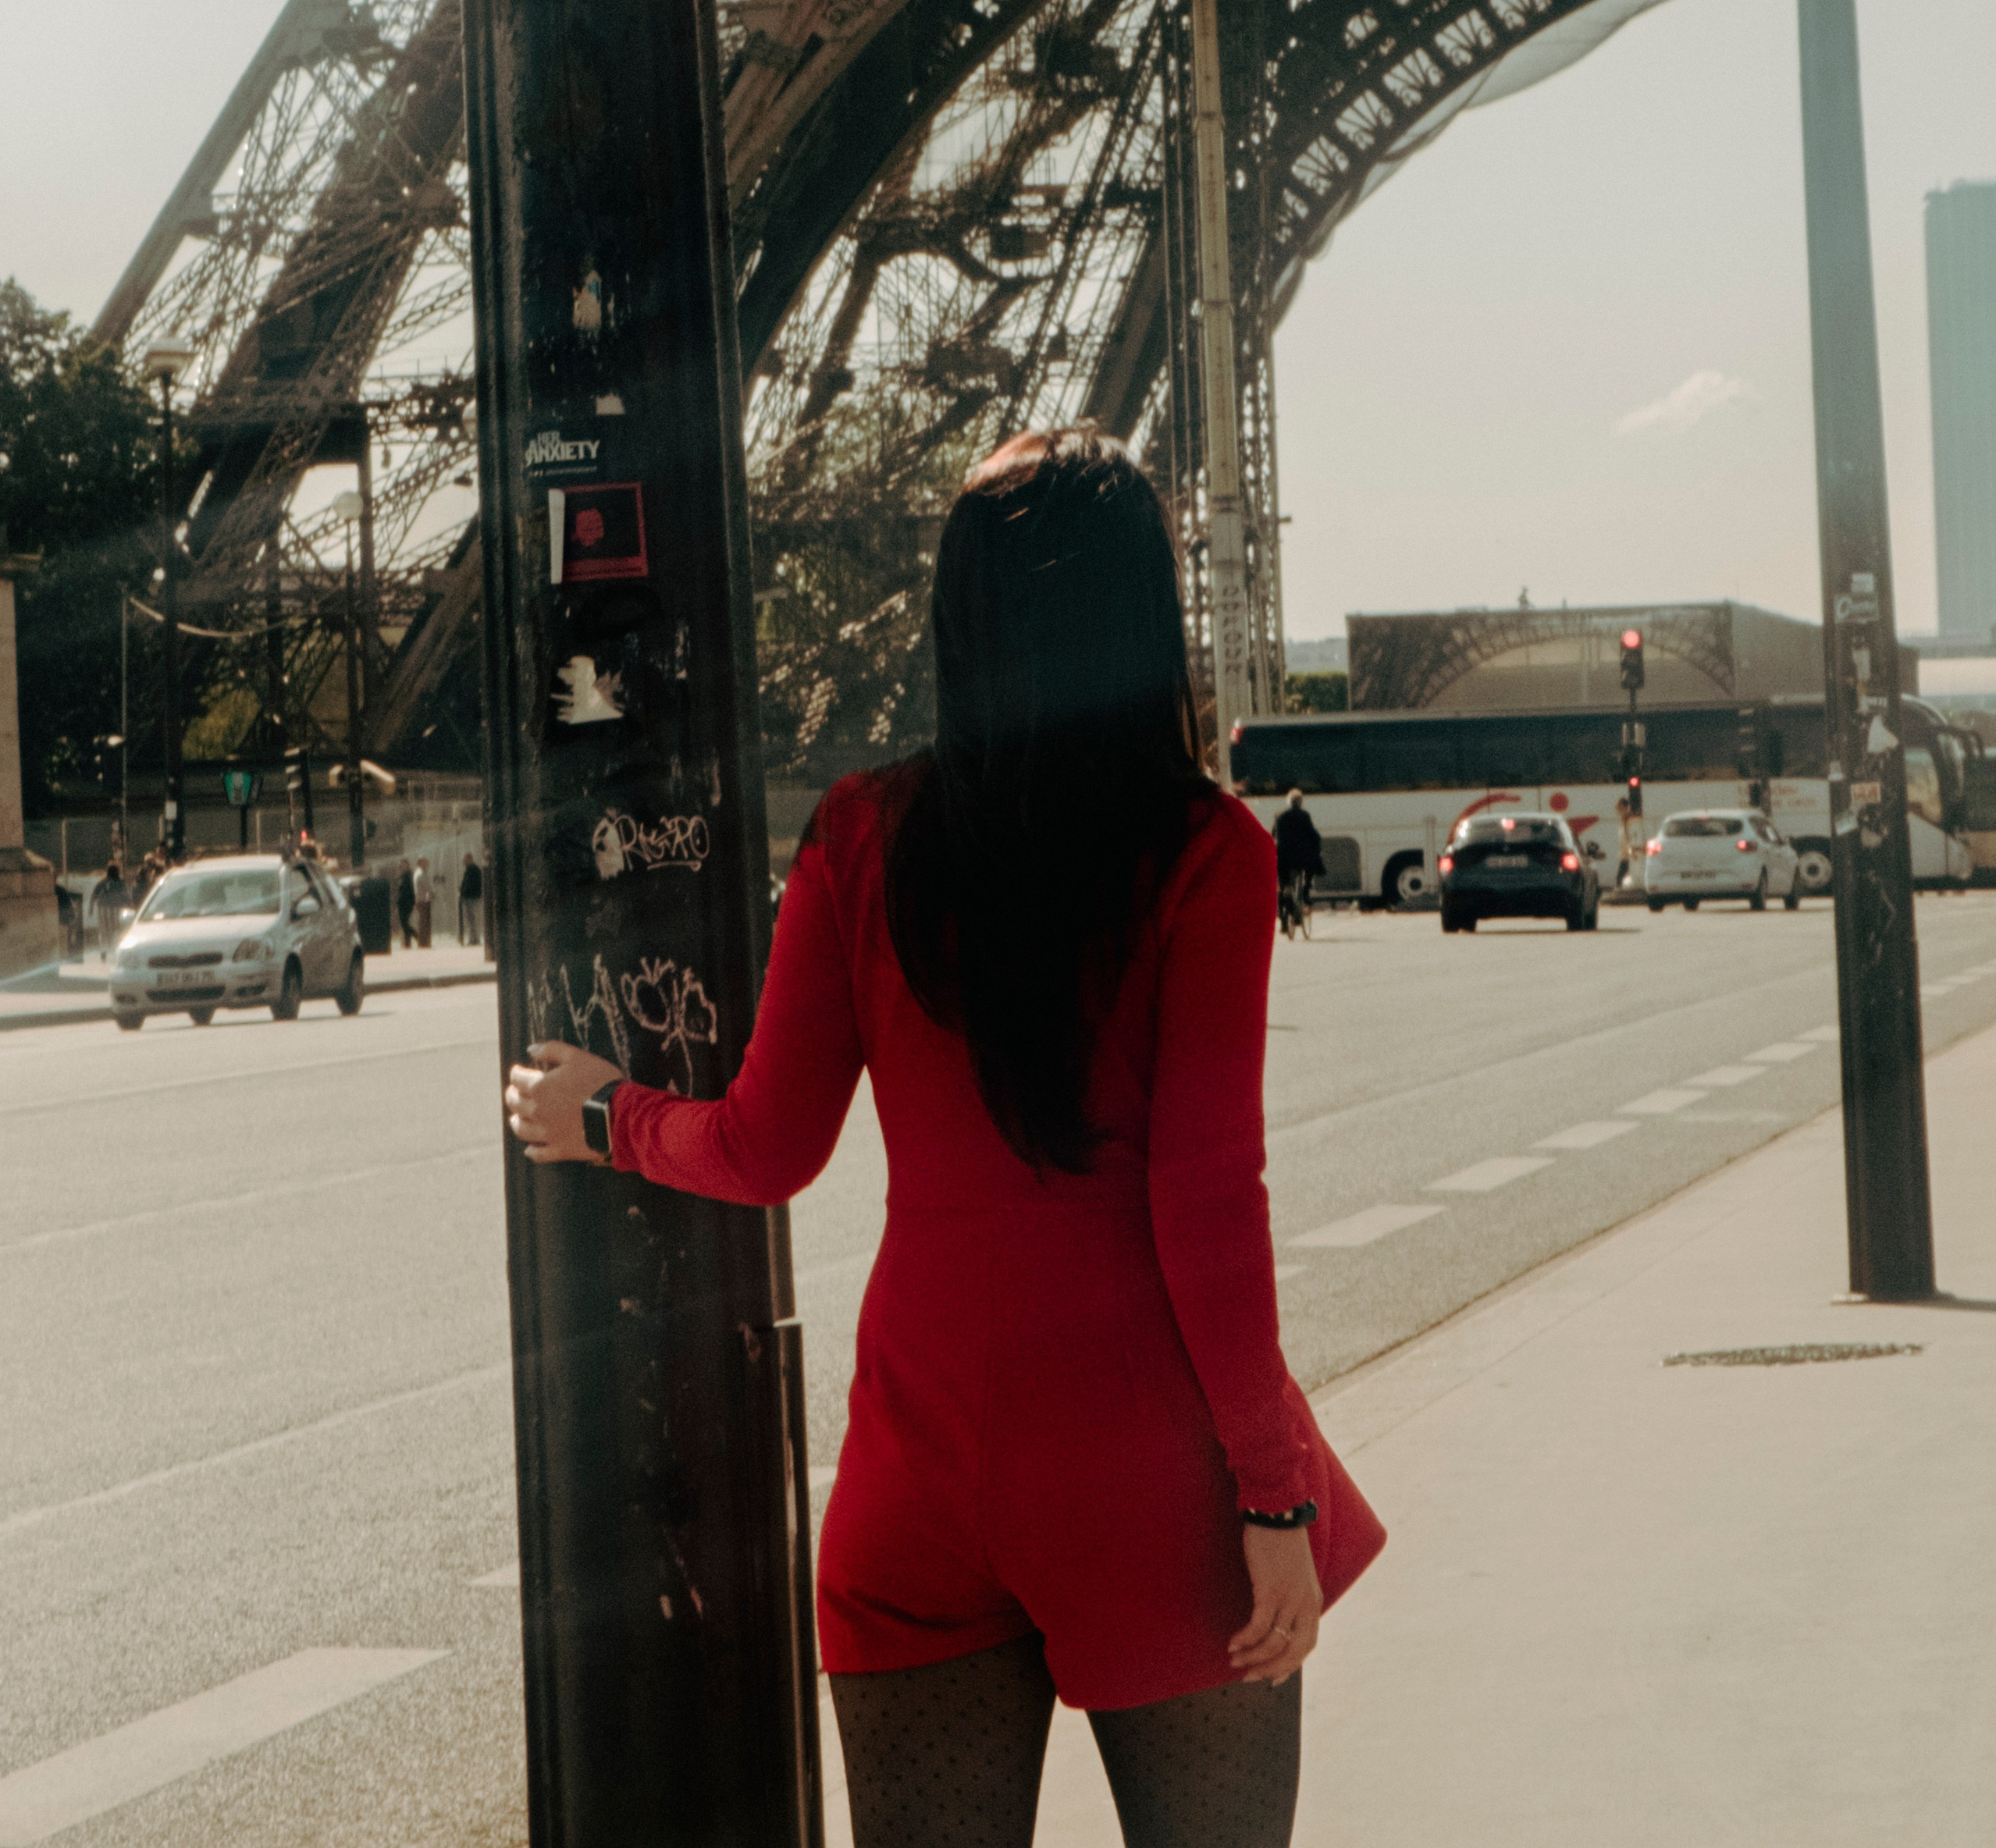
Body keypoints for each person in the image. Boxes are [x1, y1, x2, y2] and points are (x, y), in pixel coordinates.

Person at [505, 428, 1384, 1848]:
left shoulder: (865, 832)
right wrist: (1272, 1495)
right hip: (1143, 1475)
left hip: (919, 1472)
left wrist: (607, 1113)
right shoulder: (1207, 853)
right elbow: (1206, 1203)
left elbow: (765, 1147)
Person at [1272, 790, 1323, 936]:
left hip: (1284, 858)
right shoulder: (1304, 816)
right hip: (1302, 857)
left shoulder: (1280, 816)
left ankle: (1283, 922)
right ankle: (1306, 892)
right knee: (1310, 866)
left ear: (1288, 802)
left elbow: (1273, 835)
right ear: (1300, 803)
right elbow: (1314, 836)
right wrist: (1317, 849)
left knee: (1282, 888)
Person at [91, 861, 127, 952]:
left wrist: (91, 908)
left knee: (104, 929)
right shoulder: (120, 882)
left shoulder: (102, 882)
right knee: (115, 928)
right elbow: (125, 896)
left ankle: (104, 948)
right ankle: (113, 947)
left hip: (102, 909)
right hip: (115, 909)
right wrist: (128, 905)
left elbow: (94, 895)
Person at [458, 851, 484, 949]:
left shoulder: (470, 870)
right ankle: (474, 938)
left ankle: (474, 939)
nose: (463, 861)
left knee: (471, 919)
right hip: (474, 897)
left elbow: (468, 884)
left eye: (465, 859)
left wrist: (462, 893)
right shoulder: (476, 869)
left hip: (470, 898)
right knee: (473, 919)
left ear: (469, 859)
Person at [411, 855, 433, 949]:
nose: (427, 864)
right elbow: (427, 886)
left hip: (422, 900)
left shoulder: (420, 873)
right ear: (420, 863)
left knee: (423, 922)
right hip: (423, 901)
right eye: (425, 862)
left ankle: (424, 942)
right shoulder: (421, 874)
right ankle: (424, 943)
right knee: (424, 923)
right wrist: (433, 893)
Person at [394, 858, 416, 951]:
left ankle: (416, 937)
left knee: (405, 923)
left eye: (403, 865)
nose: (401, 867)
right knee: (404, 923)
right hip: (403, 902)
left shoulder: (407, 876)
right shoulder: (403, 876)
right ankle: (408, 942)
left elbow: (407, 891)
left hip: (406, 903)